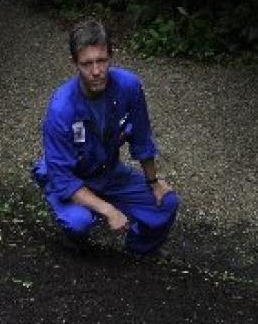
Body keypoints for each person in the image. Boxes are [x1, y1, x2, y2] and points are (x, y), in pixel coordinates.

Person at [32, 19, 180, 254]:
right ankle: (74, 237)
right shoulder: (61, 109)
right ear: (74, 63)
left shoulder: (129, 87)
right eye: (87, 64)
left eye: (101, 60)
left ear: (111, 56)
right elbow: (63, 177)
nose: (96, 71)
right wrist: (109, 211)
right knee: (78, 222)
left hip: (109, 172)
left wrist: (153, 182)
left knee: (167, 203)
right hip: (70, 174)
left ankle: (138, 250)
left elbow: (142, 137)